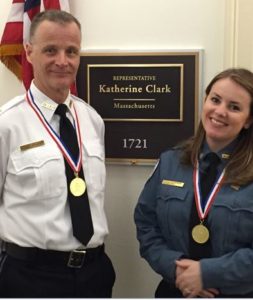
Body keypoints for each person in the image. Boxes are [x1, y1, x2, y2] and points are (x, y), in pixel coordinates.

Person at [0, 10, 115, 298]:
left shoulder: (92, 120)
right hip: (29, 278)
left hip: (95, 273)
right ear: (29, 52)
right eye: (51, 50)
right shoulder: (6, 124)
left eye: (71, 51)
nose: (62, 61)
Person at [134, 68, 253, 298]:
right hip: (174, 290)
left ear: (248, 120)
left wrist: (207, 273)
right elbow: (145, 224)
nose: (220, 111)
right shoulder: (171, 161)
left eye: (234, 107)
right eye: (215, 100)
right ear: (205, 100)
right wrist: (177, 269)